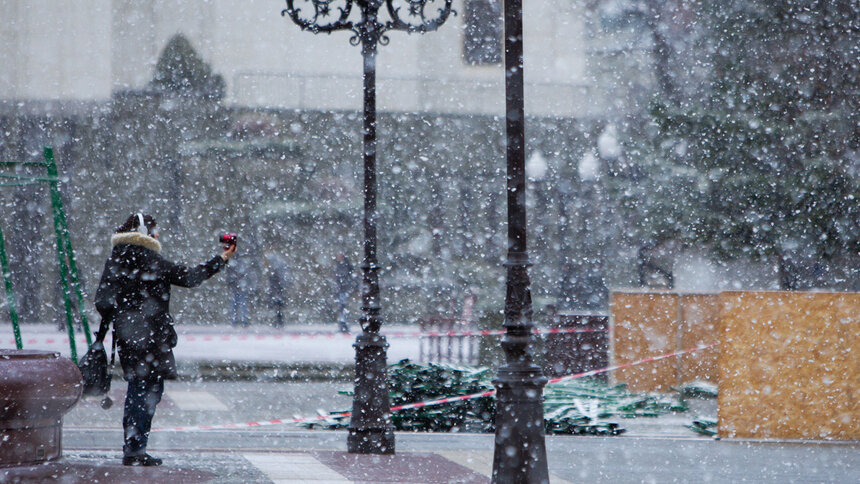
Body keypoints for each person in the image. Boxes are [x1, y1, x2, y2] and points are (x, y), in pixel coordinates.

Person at [95, 213, 235, 466]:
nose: (158, 235)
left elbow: (102, 301)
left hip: (128, 339)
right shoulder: (150, 259)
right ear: (144, 232)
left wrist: (123, 317)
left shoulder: (115, 259)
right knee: (147, 392)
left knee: (137, 390)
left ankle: (133, 446)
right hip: (150, 339)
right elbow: (190, 277)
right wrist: (221, 258)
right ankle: (135, 450)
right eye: (155, 231)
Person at [226, 253, 258, 327]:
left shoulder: (232, 265)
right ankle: (242, 321)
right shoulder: (241, 265)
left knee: (236, 305)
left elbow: (230, 277)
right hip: (240, 288)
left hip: (237, 288)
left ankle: (236, 321)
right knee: (241, 305)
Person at [265, 252, 292, 328]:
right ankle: (278, 321)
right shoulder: (279, 270)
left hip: (276, 290)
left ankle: (278, 321)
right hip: (278, 290)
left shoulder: (275, 271)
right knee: (278, 307)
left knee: (277, 307)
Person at [333, 252, 358, 333]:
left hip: (344, 289)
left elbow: (350, 277)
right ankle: (343, 324)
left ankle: (343, 324)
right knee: (342, 307)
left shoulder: (345, 266)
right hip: (342, 289)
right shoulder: (340, 266)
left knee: (342, 307)